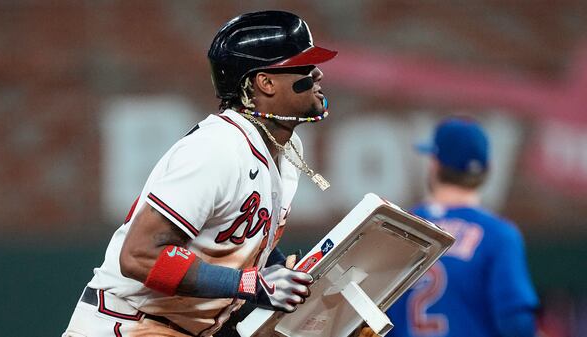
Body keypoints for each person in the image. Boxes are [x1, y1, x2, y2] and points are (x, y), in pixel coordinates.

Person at [63, 10, 337, 337]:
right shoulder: (216, 149)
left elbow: (244, 245)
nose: (318, 73)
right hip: (124, 323)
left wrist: (290, 276)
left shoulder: (285, 149)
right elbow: (139, 256)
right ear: (265, 82)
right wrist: (254, 283)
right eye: (304, 66)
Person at [386, 117, 539, 337]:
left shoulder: (397, 228)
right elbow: (516, 322)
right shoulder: (499, 235)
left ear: (435, 164)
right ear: (487, 170)